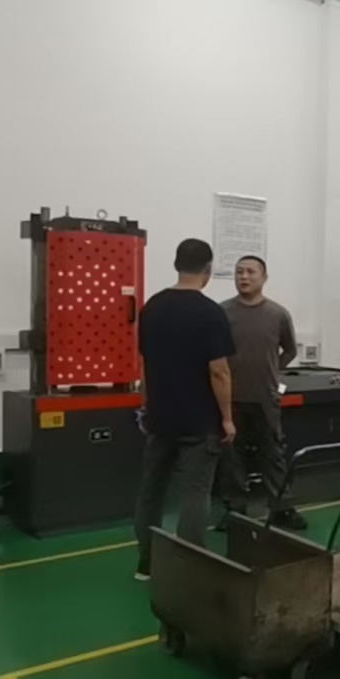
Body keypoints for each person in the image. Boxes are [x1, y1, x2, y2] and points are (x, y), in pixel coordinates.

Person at [132, 238, 235, 581]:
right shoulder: (210, 313)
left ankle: (146, 565)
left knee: (151, 491)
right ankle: (189, 571)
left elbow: (145, 364)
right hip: (199, 421)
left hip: (160, 417)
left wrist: (146, 405)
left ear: (176, 265)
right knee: (195, 493)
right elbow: (219, 372)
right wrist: (227, 419)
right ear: (208, 269)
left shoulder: (152, 308)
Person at [218, 254, 305, 530]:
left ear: (264, 277)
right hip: (230, 398)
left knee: (273, 453)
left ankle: (281, 508)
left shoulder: (278, 314)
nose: (244, 277)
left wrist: (271, 370)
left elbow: (290, 349)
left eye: (250, 272)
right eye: (239, 271)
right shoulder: (222, 313)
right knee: (232, 456)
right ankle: (235, 510)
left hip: (265, 397)